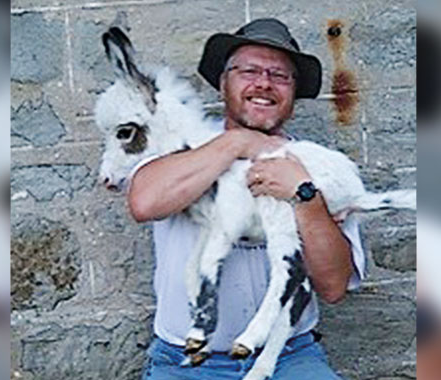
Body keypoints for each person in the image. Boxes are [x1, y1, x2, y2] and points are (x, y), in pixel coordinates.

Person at [127, 18, 366, 380]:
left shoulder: (318, 167)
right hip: (186, 363)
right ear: (224, 83)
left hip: (288, 356)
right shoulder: (179, 146)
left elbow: (333, 287)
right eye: (249, 70)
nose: (264, 83)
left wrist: (305, 194)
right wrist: (240, 143)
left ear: (293, 94)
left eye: (280, 75)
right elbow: (144, 202)